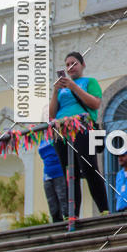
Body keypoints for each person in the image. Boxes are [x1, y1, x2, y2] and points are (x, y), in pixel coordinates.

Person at [49, 51, 109, 216]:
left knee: (89, 167)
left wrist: (73, 86)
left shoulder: (89, 82)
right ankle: (72, 214)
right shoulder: (61, 90)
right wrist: (55, 91)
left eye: (74, 63)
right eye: (67, 65)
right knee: (69, 172)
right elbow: (52, 114)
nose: (70, 67)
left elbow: (95, 103)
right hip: (62, 130)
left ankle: (103, 209)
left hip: (83, 127)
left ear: (82, 65)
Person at [38, 139, 68, 223]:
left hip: (59, 172)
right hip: (47, 174)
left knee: (63, 199)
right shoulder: (41, 139)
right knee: (52, 202)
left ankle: (67, 219)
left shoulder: (57, 135)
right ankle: (56, 222)